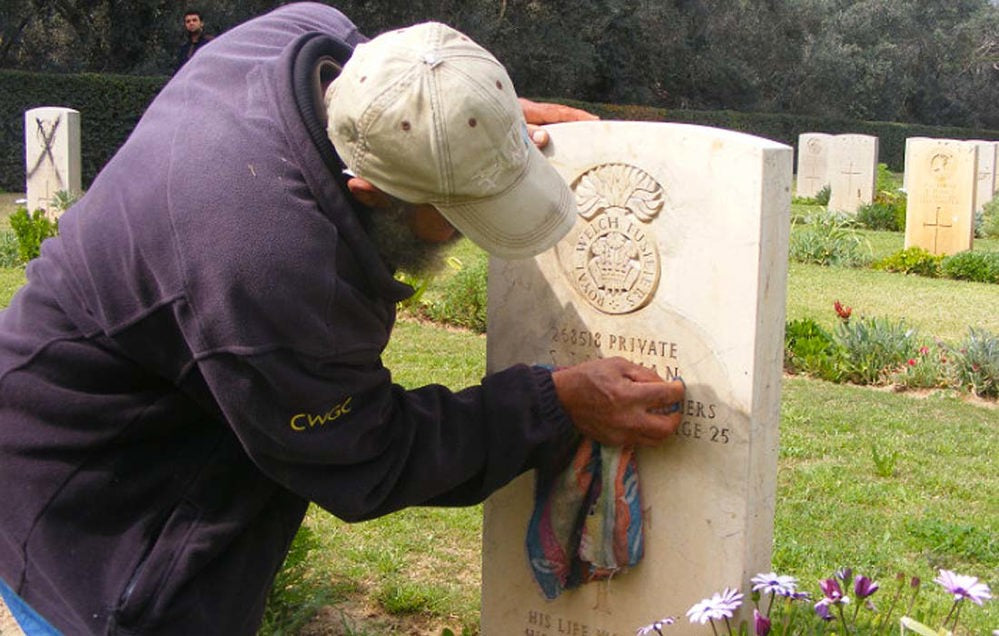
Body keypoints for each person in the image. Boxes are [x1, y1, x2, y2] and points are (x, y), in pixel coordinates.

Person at [0, 4, 685, 634]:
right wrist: (549, 401)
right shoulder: (275, 272)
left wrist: (475, 127)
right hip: (100, 505)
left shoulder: (296, 33)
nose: (469, 236)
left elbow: (406, 85)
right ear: (369, 189)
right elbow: (368, 455)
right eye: (457, 214)